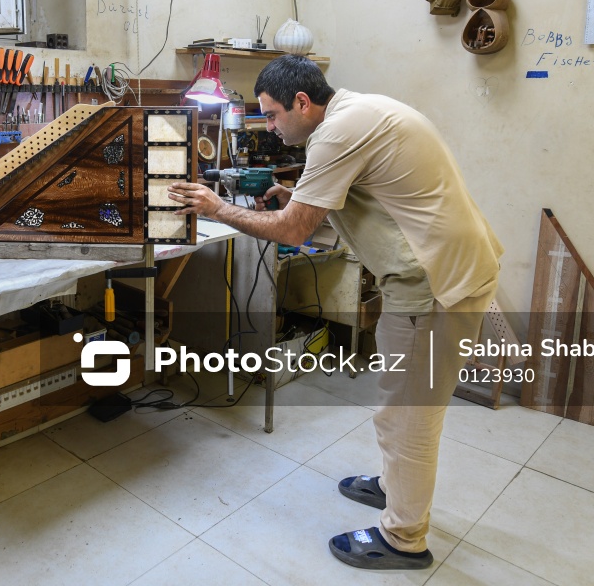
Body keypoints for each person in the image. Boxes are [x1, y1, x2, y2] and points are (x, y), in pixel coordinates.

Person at [168, 55, 502, 571]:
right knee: (398, 406)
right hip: (438, 272)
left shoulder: (336, 133)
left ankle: (404, 539)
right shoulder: (358, 110)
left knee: (408, 416)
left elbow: (292, 230)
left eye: (272, 115)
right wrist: (298, 194)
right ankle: (393, 486)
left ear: (302, 103)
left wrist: (217, 208)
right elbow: (361, 189)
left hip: (433, 289)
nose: (270, 128)